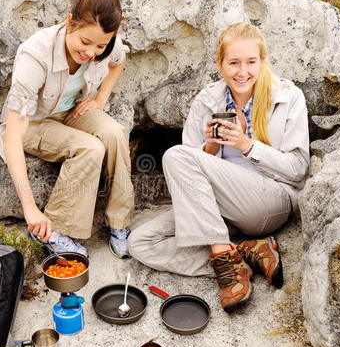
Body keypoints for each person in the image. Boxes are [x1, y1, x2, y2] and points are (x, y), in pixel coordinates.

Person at [128, 23, 310, 312]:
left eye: (251, 62)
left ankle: (226, 264)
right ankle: (242, 254)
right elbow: (187, 172)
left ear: (262, 62)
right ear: (220, 64)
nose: (242, 72)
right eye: (234, 63)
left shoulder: (288, 97)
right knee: (139, 243)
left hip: (268, 203)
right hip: (216, 209)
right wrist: (210, 148)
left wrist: (245, 144)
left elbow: (299, 169)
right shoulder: (207, 99)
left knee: (175, 155)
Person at [0, 0, 134, 258]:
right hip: (32, 124)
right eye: (85, 42)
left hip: (70, 112)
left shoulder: (104, 42)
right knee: (91, 148)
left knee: (114, 133)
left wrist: (100, 99)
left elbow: (119, 60)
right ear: (70, 22)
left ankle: (119, 221)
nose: (91, 53)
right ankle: (54, 231)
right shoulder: (34, 55)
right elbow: (12, 136)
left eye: (99, 46)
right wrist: (29, 207)